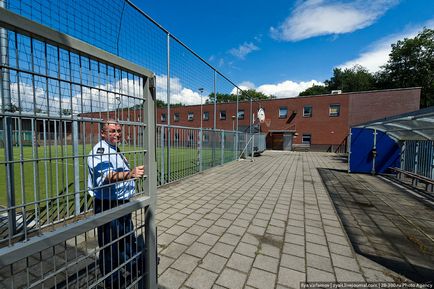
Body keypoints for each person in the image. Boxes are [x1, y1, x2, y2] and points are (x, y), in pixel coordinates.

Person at [87, 120, 145, 288]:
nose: (117, 134)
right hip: (108, 204)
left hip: (121, 202)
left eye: (118, 130)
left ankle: (132, 266)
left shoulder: (113, 148)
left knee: (127, 238)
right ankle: (112, 281)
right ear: (103, 133)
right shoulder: (99, 151)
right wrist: (130, 174)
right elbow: (107, 176)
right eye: (112, 131)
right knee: (110, 245)